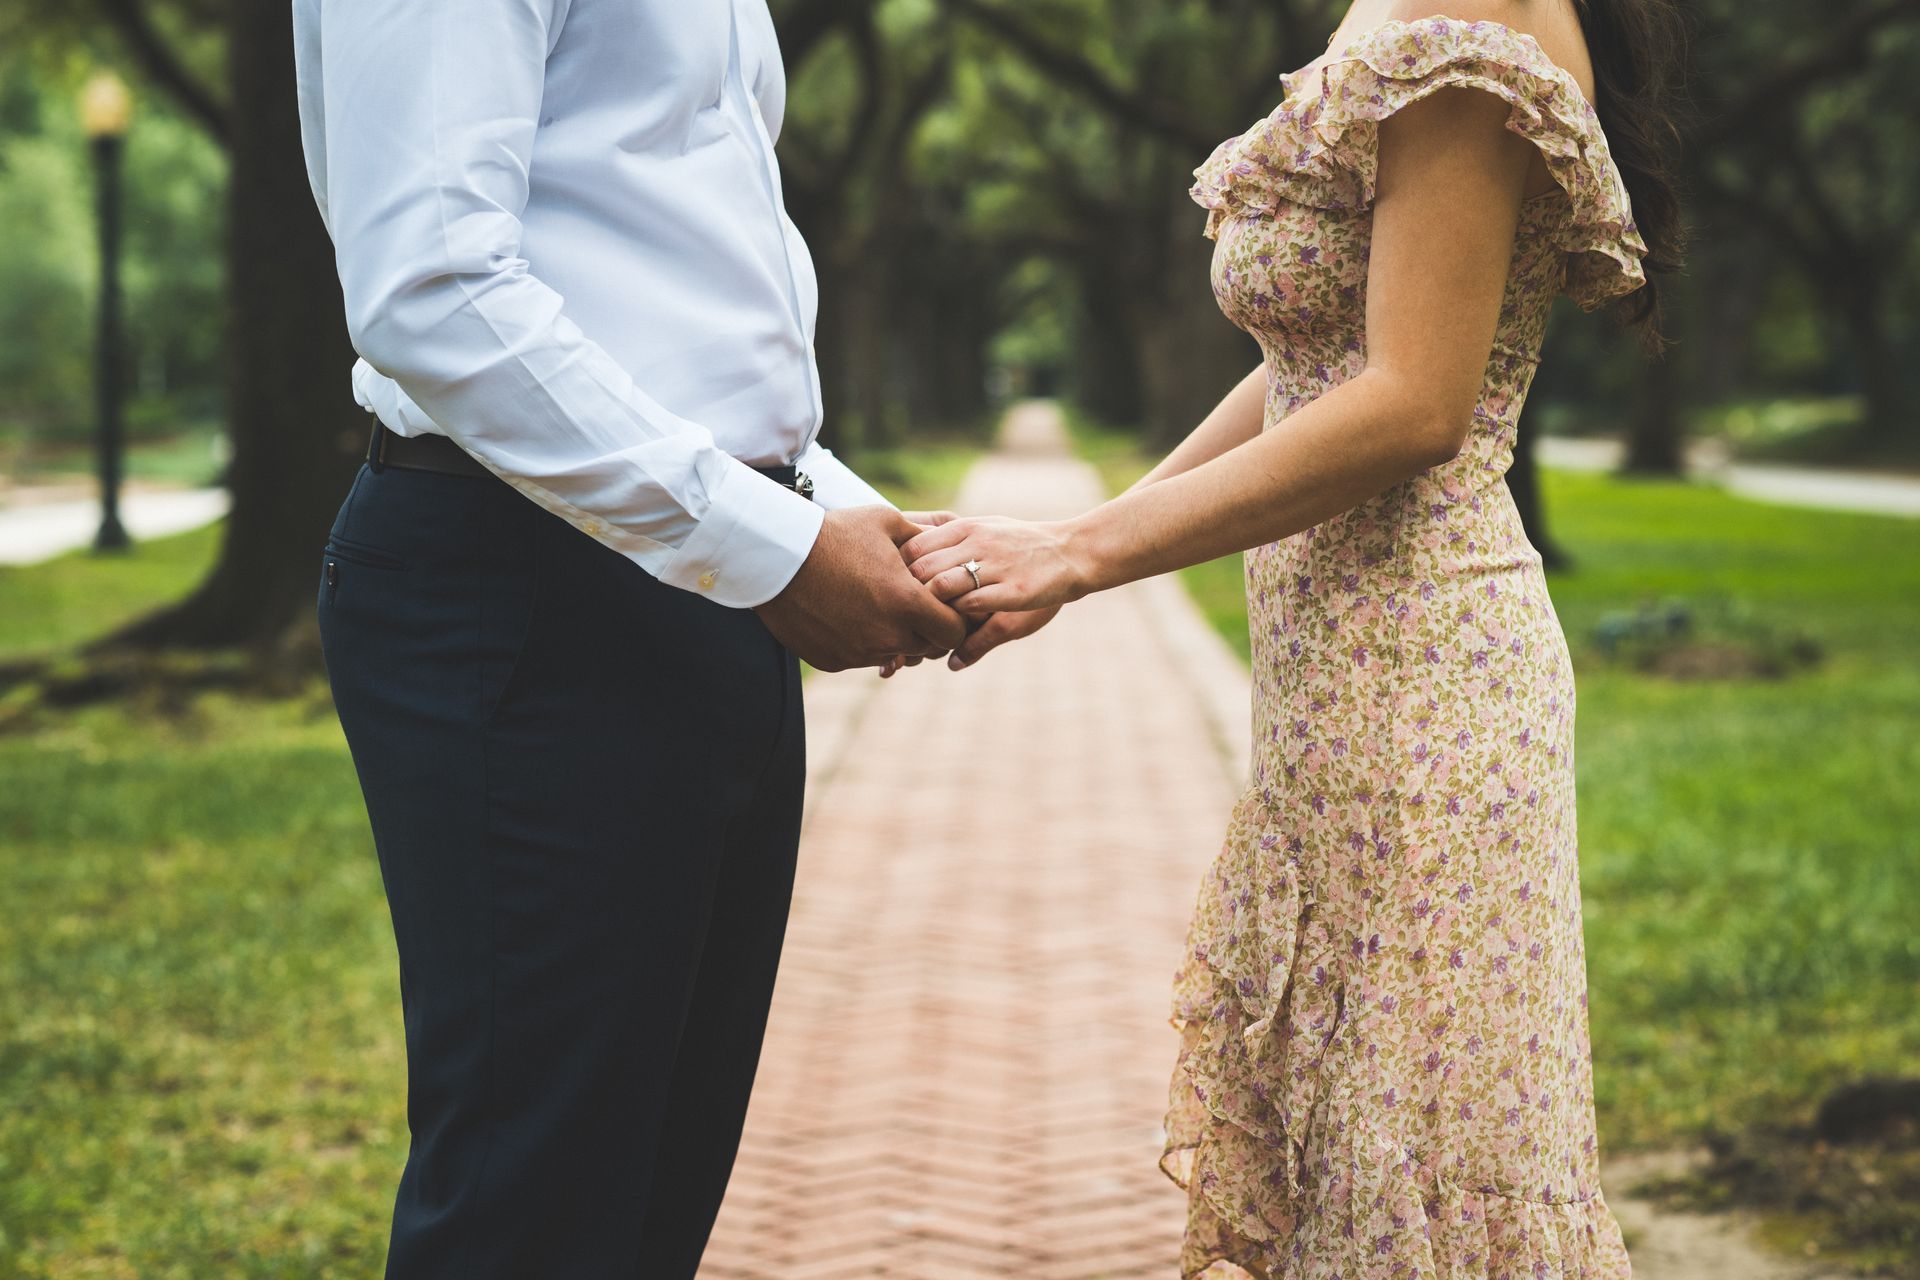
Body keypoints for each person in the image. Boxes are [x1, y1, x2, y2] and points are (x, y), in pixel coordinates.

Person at [903, 0, 1684, 1273]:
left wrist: (1085, 552)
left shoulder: (1465, 15)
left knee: (1423, 1170)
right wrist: (1084, 541)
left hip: (1426, 691)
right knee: (1357, 1158)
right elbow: (1312, 363)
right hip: (1342, 694)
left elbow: (1410, 404)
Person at [292, 2, 965, 1276]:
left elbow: (672, 269)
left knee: (651, 1191)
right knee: (533, 1207)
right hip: (535, 580)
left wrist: (836, 510)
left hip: (702, 566)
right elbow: (434, 283)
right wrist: (771, 547)